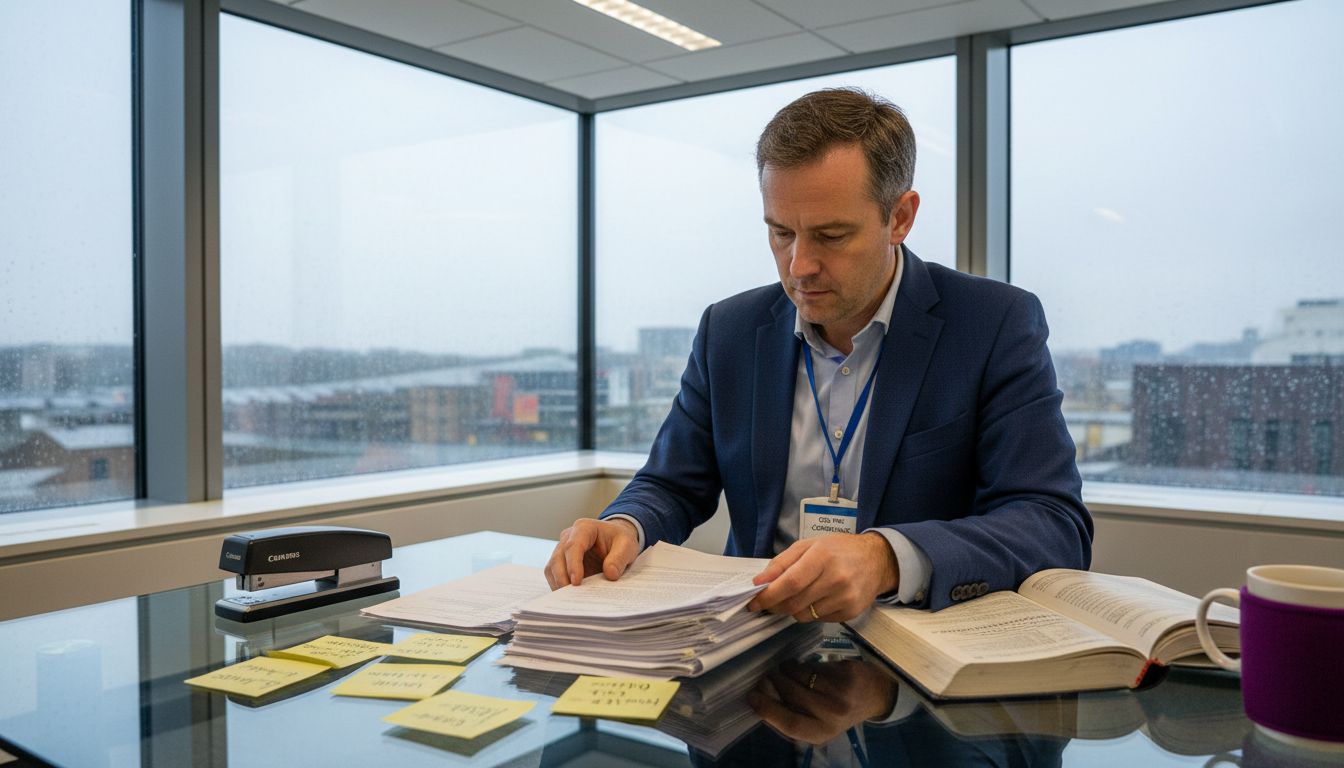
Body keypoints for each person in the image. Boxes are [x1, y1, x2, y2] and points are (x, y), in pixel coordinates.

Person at [545, 87, 1091, 620]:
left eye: (831, 235)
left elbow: (1052, 523)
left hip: (916, 654)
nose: (798, 265)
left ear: (899, 217)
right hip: (756, 641)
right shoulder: (730, 330)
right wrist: (626, 526)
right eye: (781, 233)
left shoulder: (991, 324)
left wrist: (886, 558)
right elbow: (671, 482)